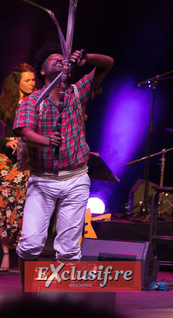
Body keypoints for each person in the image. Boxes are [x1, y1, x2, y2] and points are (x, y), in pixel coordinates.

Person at [14, 45, 113, 266]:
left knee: (69, 250)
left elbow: (107, 63)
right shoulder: (32, 101)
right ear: (42, 70)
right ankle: (26, 297)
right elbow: (25, 133)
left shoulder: (78, 92)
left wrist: (86, 57)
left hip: (75, 178)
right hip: (42, 180)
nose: (60, 61)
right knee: (30, 245)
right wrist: (47, 140)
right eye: (53, 59)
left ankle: (64, 298)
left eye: (63, 59)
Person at [0, 63, 36, 272]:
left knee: (25, 206)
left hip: (30, 158)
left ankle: (24, 253)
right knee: (5, 206)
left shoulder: (37, 102)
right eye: (27, 80)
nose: (32, 83)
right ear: (17, 83)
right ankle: (5, 253)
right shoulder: (6, 103)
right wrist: (6, 142)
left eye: (33, 80)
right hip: (8, 160)